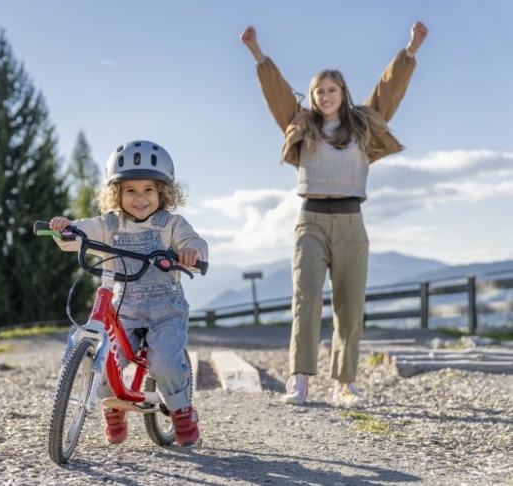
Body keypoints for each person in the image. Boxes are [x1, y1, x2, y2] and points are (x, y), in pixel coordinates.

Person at [240, 22, 428, 406]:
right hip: (310, 222)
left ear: (343, 93)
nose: (326, 96)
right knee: (305, 301)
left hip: (351, 223)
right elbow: (275, 93)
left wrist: (410, 51)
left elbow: (389, 91)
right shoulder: (301, 124)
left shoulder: (363, 124)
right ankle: (300, 379)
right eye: (319, 91)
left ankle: (344, 383)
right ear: (311, 96)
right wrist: (257, 53)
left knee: (349, 305)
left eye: (332, 90)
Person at [48, 140, 208, 446]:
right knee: (109, 356)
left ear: (162, 192)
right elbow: (81, 233)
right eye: (130, 190)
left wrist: (189, 252)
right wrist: (67, 228)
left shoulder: (171, 224)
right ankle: (113, 409)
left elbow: (194, 242)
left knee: (164, 364)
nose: (139, 198)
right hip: (125, 309)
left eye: (148, 190)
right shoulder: (110, 223)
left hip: (166, 310)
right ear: (116, 193)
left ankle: (182, 411)